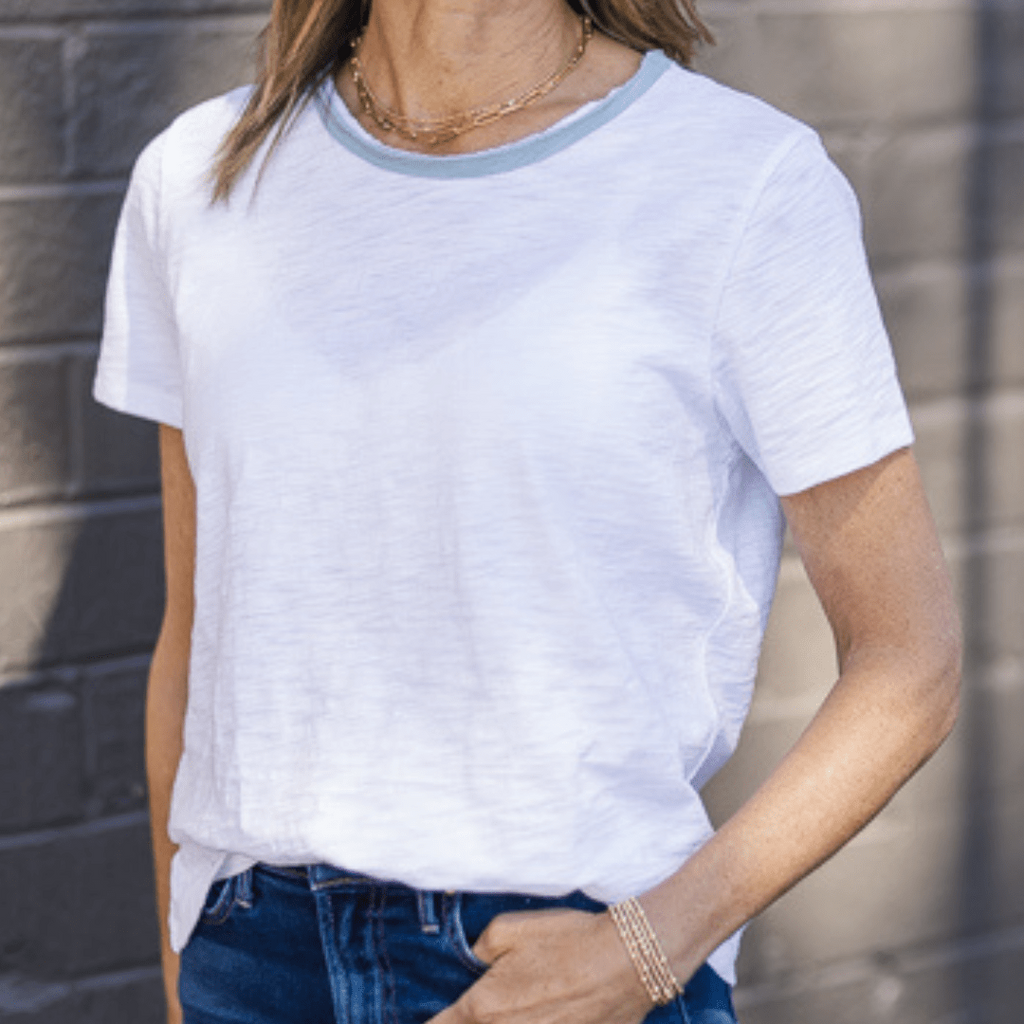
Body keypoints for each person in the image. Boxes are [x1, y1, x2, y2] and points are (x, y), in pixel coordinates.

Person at [93, 0, 962, 1021]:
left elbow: (910, 660)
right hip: (252, 963)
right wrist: (186, 969)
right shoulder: (198, 176)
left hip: (569, 963)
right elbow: (194, 640)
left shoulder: (740, 180)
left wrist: (650, 948)